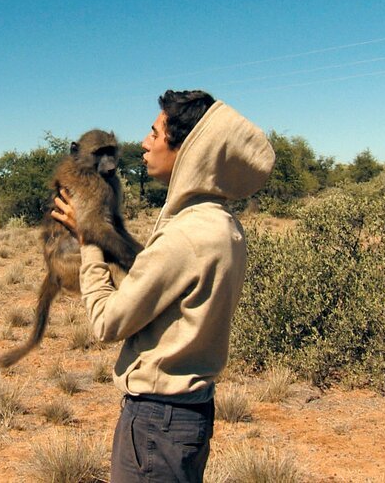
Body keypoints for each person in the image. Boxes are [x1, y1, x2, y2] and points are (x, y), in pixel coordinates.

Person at [51, 90, 275, 482]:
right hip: (192, 412)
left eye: (155, 133)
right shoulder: (223, 225)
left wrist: (88, 244)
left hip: (157, 421)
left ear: (187, 149)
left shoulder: (184, 237)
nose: (144, 143)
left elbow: (106, 323)